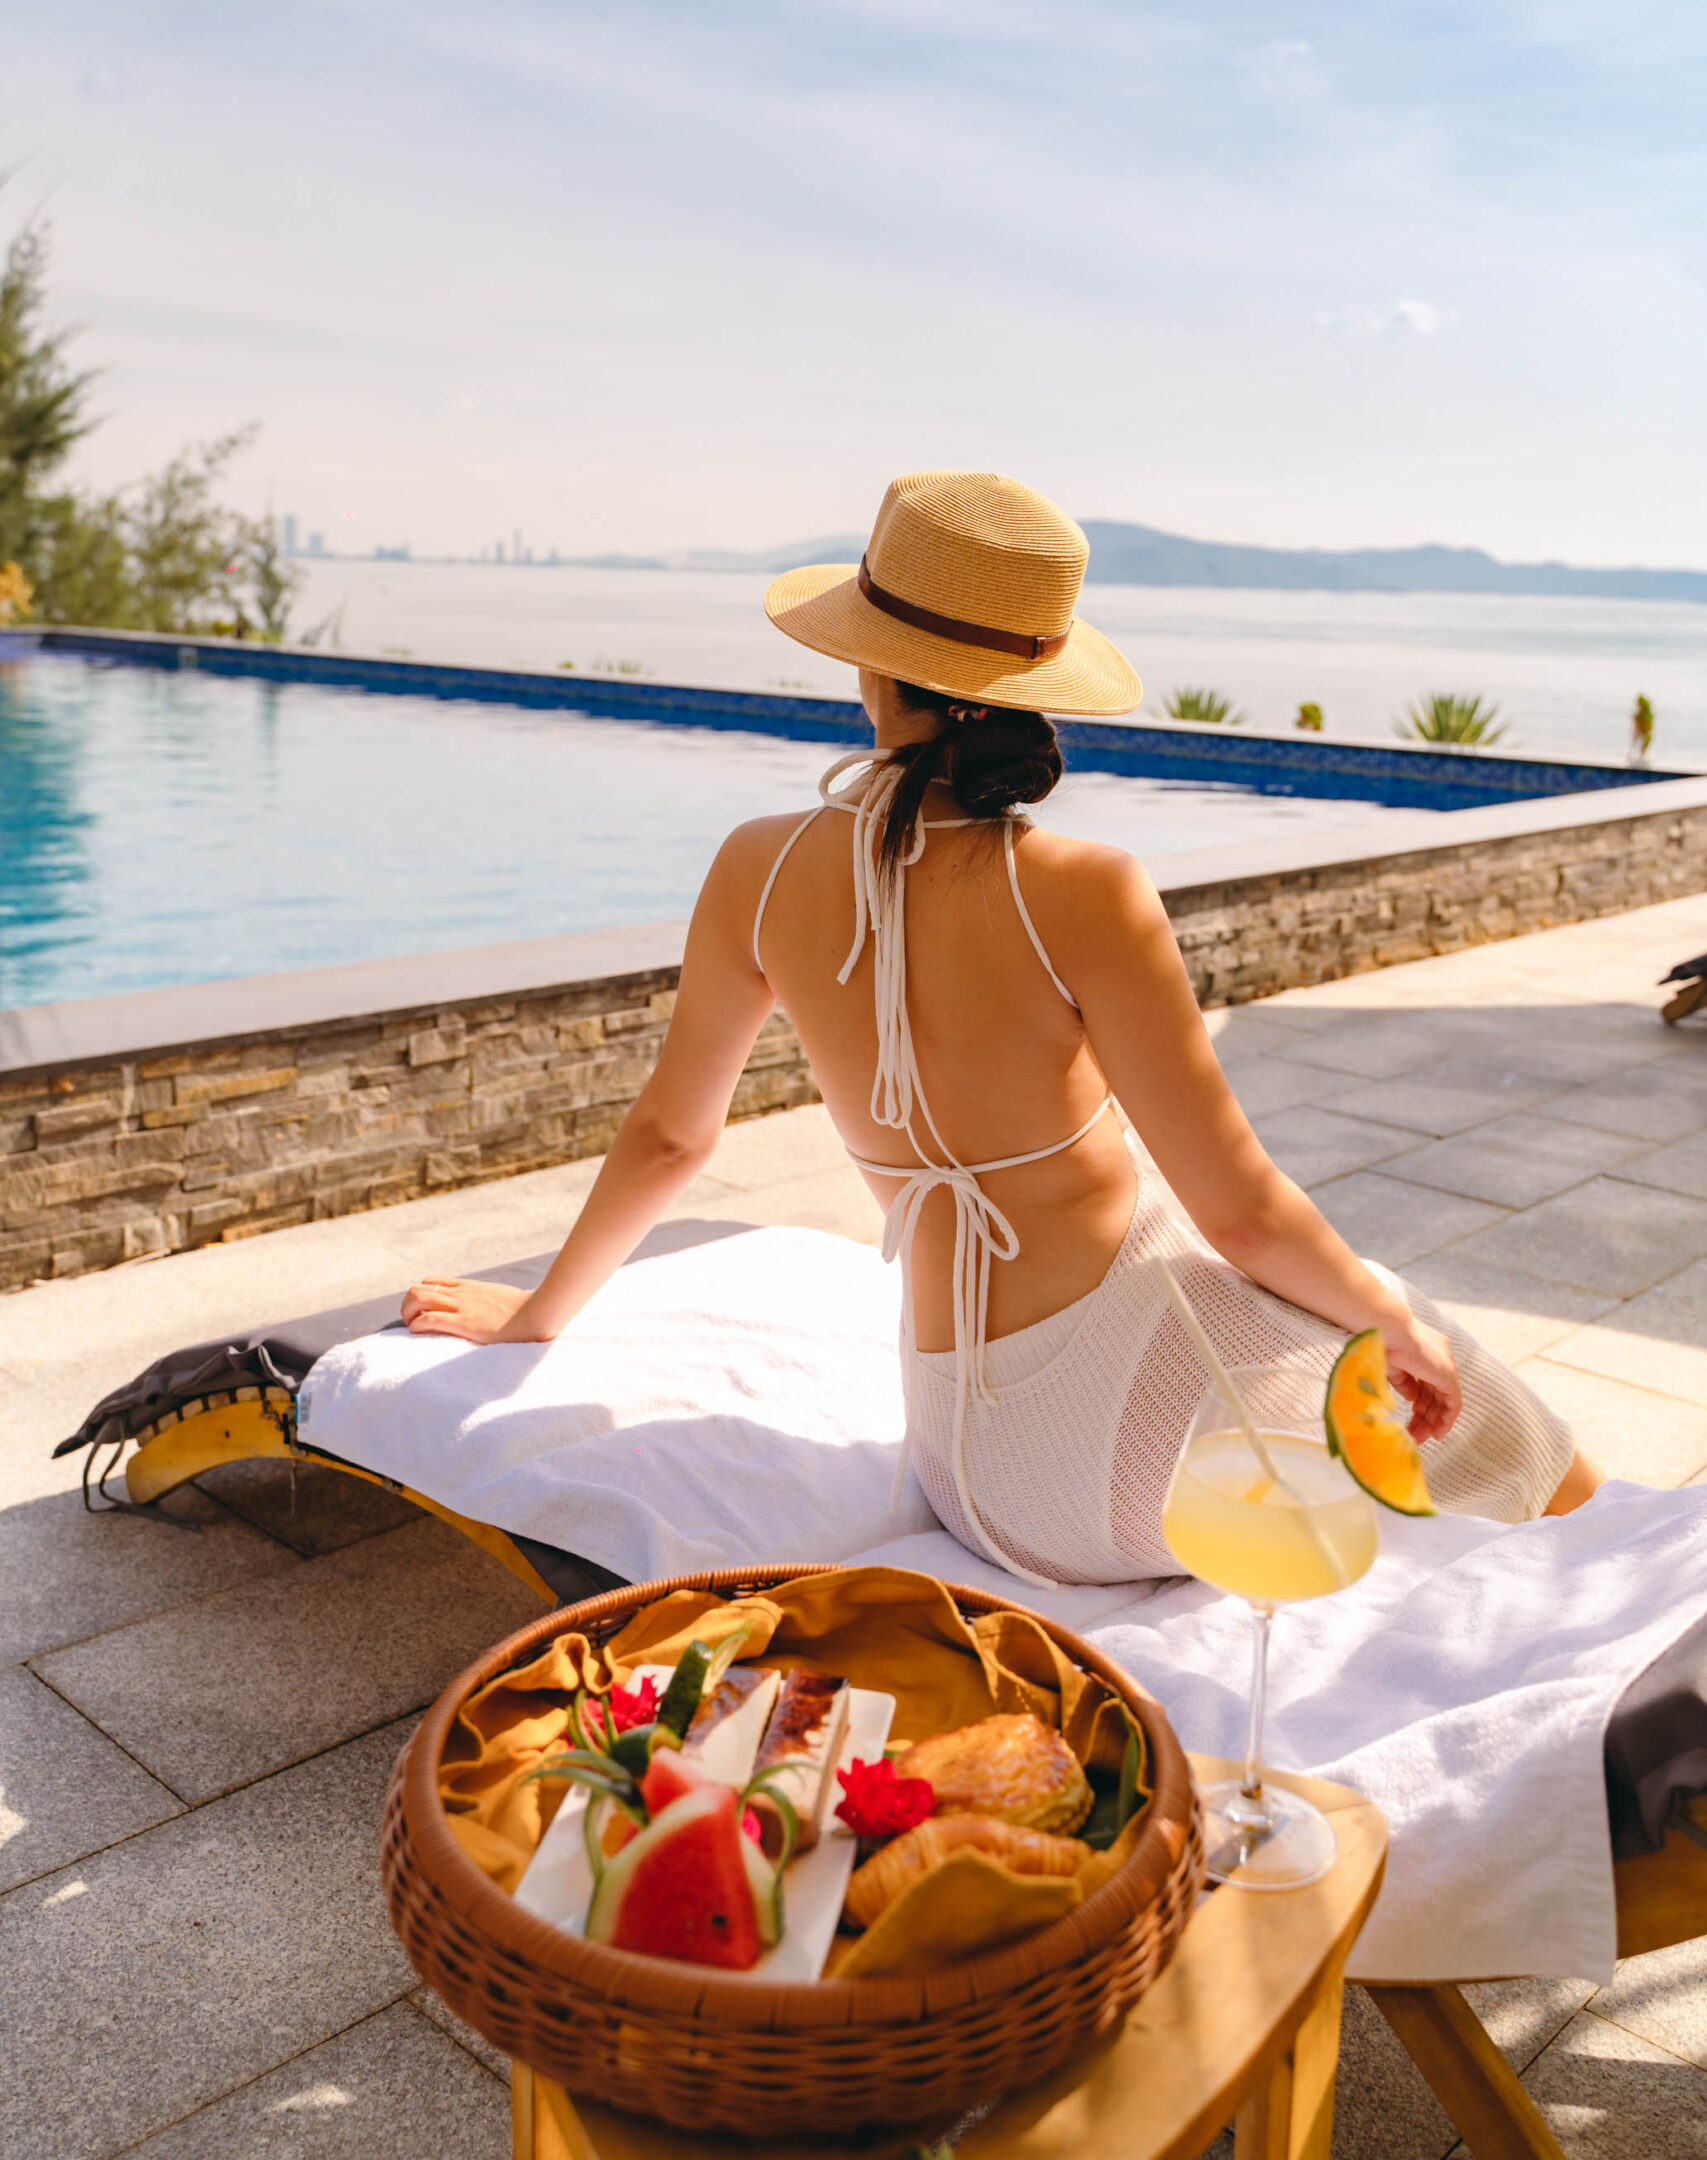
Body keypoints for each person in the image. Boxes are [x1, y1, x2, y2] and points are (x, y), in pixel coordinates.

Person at [401, 471, 1601, 1587]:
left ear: (872, 665)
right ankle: (1630, 1564)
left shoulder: (757, 868)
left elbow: (672, 1136)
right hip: (1139, 1460)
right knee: (1434, 1356)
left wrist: (536, 1313)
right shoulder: (1085, 889)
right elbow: (1242, 1211)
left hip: (976, 1475)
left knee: (1356, 1328)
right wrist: (1390, 1321)